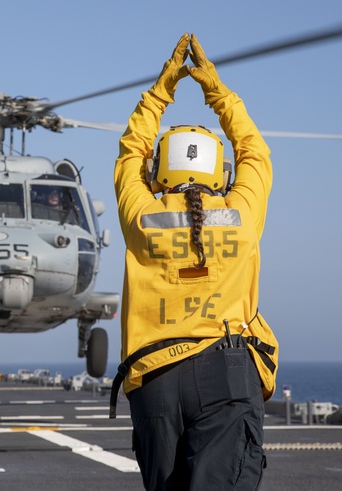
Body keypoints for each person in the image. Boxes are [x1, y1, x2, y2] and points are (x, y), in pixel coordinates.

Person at [111, 34, 279, 491]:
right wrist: (217, 92)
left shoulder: (141, 217)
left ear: (157, 171)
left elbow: (130, 151)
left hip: (154, 380)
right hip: (226, 374)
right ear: (219, 172)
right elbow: (255, 151)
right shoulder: (241, 215)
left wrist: (160, 91)